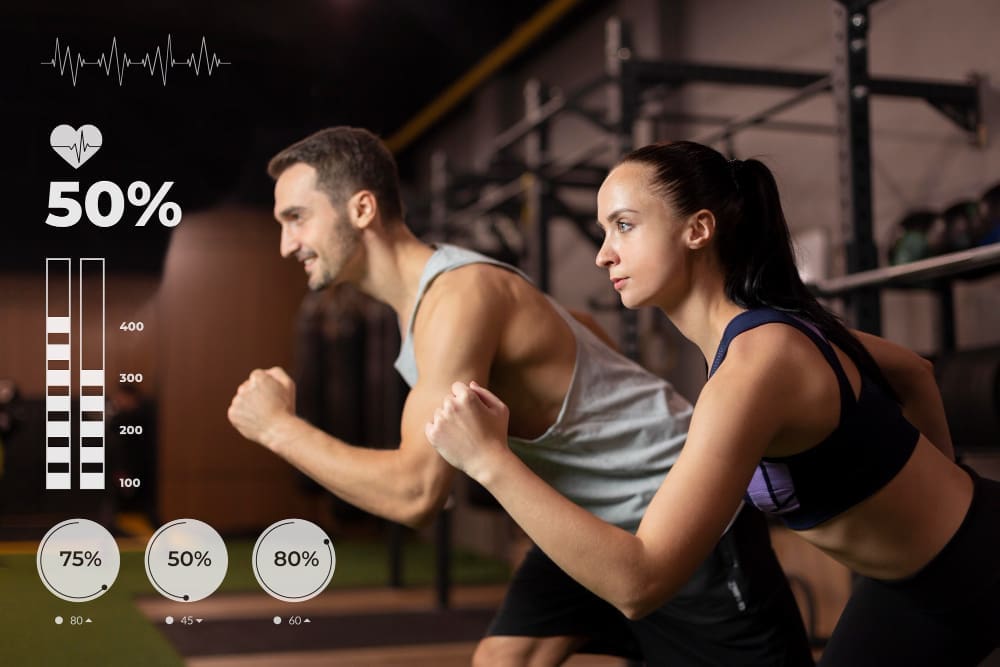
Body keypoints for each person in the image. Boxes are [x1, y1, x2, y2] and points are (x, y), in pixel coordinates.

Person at [228, 127, 814, 665]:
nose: (287, 244)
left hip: (679, 522)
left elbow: (415, 494)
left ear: (361, 208)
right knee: (504, 660)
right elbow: (582, 325)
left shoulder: (458, 297)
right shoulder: (439, 301)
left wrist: (277, 427)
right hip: (591, 518)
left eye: (297, 217)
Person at [425, 140, 1000, 666]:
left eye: (624, 226)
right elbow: (915, 373)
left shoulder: (756, 364)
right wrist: (943, 484)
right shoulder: (764, 340)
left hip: (971, 562)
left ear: (698, 229)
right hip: (906, 583)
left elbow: (640, 582)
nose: (604, 255)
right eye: (604, 231)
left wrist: (488, 462)